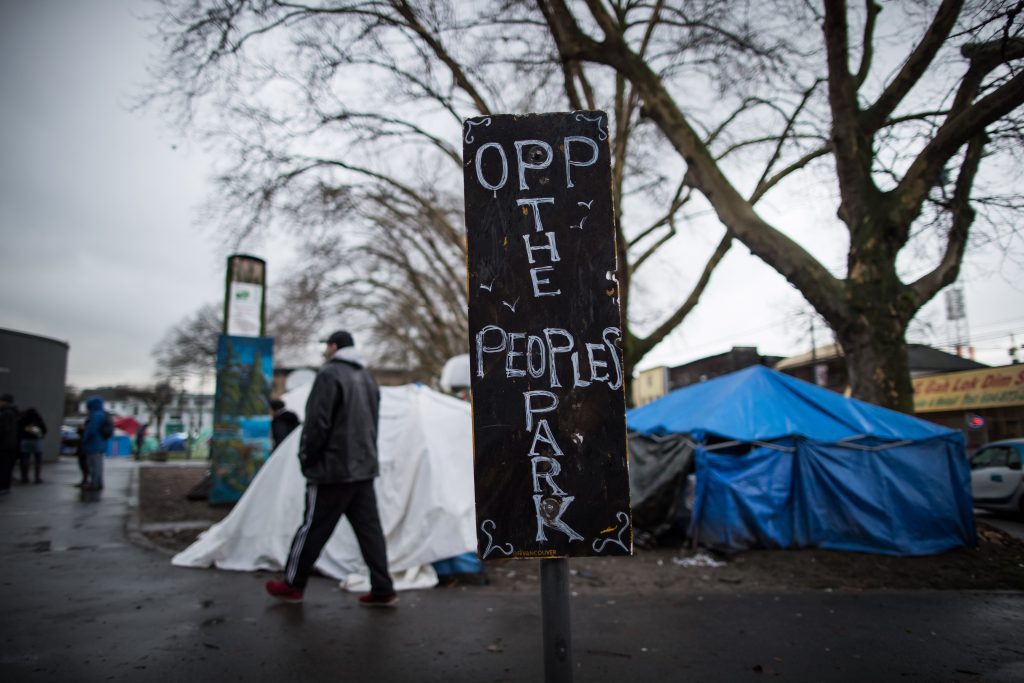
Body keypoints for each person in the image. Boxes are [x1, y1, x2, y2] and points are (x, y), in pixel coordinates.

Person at [265, 330, 397, 607]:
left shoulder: (329, 374)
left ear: (334, 347)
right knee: (369, 531)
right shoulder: (367, 377)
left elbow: (317, 424)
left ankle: (292, 585)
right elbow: (372, 424)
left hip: (332, 470)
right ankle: (383, 588)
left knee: (312, 529)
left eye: (326, 346)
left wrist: (308, 459)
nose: (325, 351)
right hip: (362, 469)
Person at [81, 396, 110, 491]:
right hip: (101, 443)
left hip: (93, 444)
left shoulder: (95, 415)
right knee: (98, 465)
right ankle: (98, 483)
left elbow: (91, 430)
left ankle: (94, 484)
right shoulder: (103, 414)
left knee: (93, 465)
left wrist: (85, 439)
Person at [17, 407, 47, 484]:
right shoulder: (38, 420)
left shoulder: (23, 420)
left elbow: (18, 430)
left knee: (25, 460)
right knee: (38, 460)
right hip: (36, 442)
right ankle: (37, 478)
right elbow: (44, 430)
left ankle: (25, 478)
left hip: (25, 441)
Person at [0, 393, 19, 494]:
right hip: (11, 445)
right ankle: (5, 486)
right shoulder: (13, 412)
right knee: (7, 467)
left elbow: (3, 429)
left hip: (4, 445)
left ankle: (2, 486)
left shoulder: (6, 413)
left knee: (3, 467)